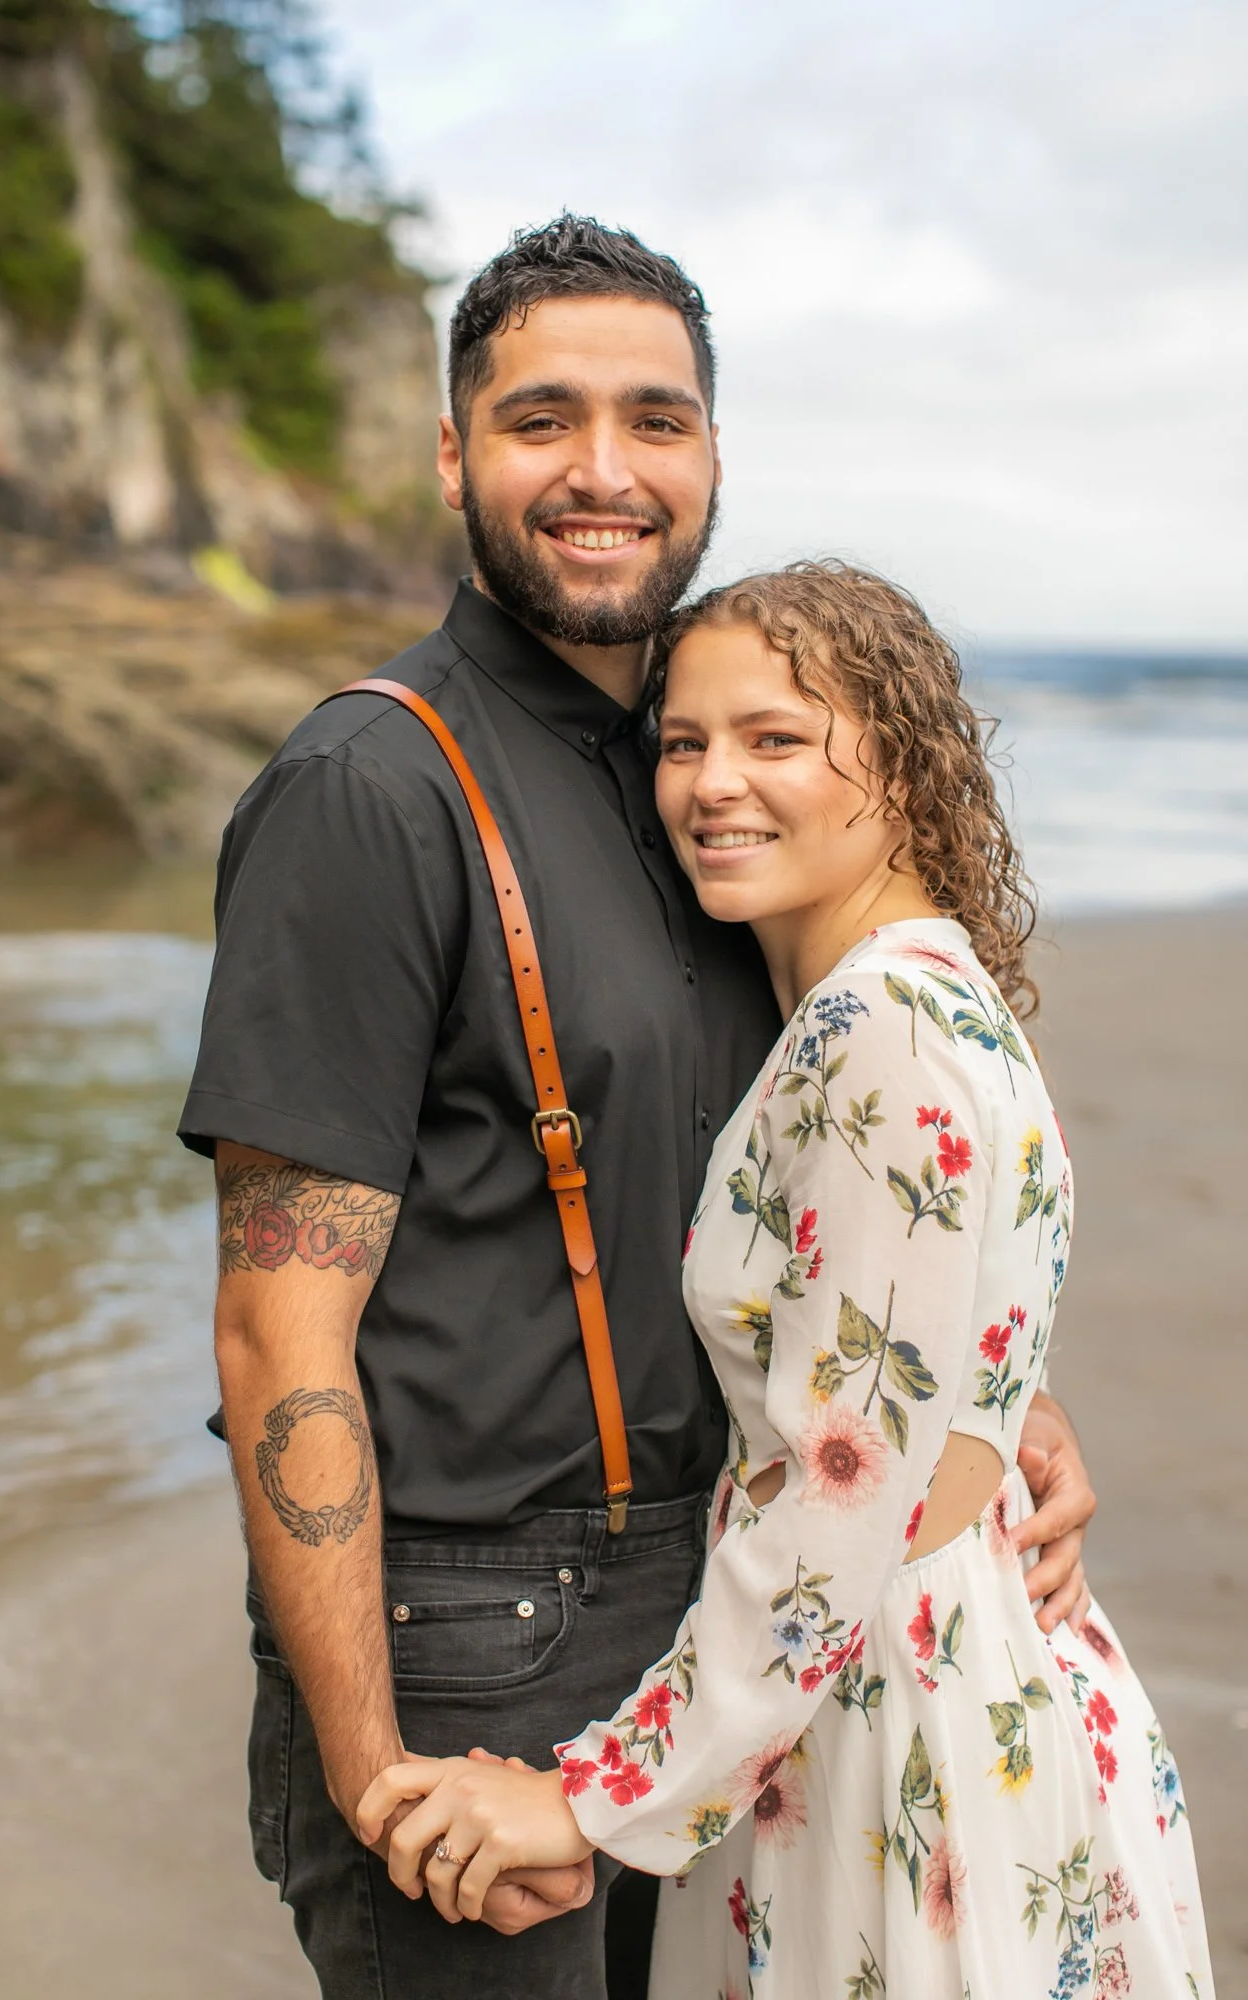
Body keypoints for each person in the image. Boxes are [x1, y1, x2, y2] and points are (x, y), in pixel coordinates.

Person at [178, 217, 1098, 2000]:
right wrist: (373, 1770)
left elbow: (832, 1171)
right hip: (465, 1628)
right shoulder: (369, 790)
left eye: (656, 420)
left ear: (713, 456)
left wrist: (988, 1399)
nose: (604, 470)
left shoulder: (716, 779)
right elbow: (273, 1331)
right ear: (456, 455)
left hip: (723, 1607)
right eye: (542, 420)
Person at [357, 563, 1215, 1999]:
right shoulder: (933, 992)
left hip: (896, 1709)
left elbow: (838, 1490)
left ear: (901, 755)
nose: (710, 784)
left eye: (775, 738)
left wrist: (590, 1798)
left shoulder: (879, 1028)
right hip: (959, 1655)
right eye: (683, 743)